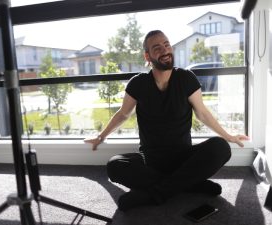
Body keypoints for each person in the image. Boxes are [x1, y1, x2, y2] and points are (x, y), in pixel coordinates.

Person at [84, 30, 249, 212]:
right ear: (147, 56)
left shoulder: (186, 78)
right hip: (152, 162)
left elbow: (203, 113)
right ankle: (189, 184)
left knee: (221, 147)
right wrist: (101, 137)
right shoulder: (138, 83)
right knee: (114, 166)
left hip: (184, 158)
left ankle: (157, 193)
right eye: (157, 48)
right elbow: (123, 114)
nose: (165, 50)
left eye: (167, 45)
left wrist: (229, 136)